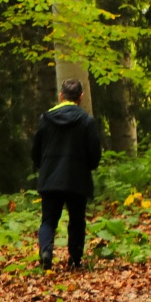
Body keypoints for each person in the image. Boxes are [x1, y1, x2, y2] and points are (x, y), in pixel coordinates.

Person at [31, 77, 102, 271]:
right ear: (80, 97)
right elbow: (94, 153)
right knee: (77, 220)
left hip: (50, 178)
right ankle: (76, 258)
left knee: (48, 221)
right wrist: (89, 166)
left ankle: (46, 253)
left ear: (61, 96)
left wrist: (43, 168)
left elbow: (35, 151)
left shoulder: (45, 119)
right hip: (77, 179)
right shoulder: (87, 121)